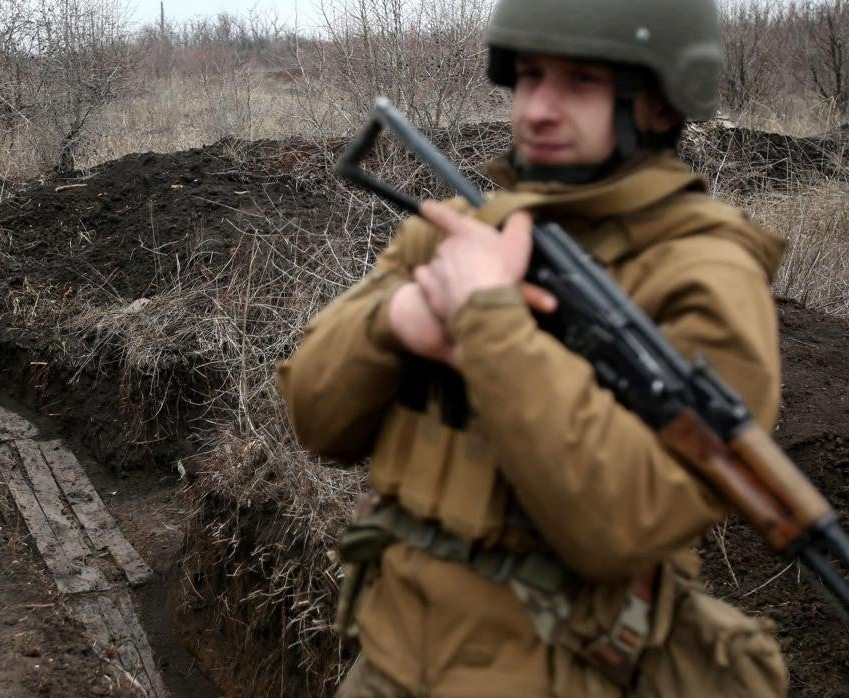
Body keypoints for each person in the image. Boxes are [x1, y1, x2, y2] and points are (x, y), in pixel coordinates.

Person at [278, 1, 789, 695]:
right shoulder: (460, 231)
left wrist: (491, 321)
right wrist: (395, 321)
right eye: (529, 77)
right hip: (387, 658)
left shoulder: (704, 279)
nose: (538, 109)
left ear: (662, 106)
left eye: (580, 82)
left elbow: (622, 527)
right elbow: (315, 419)